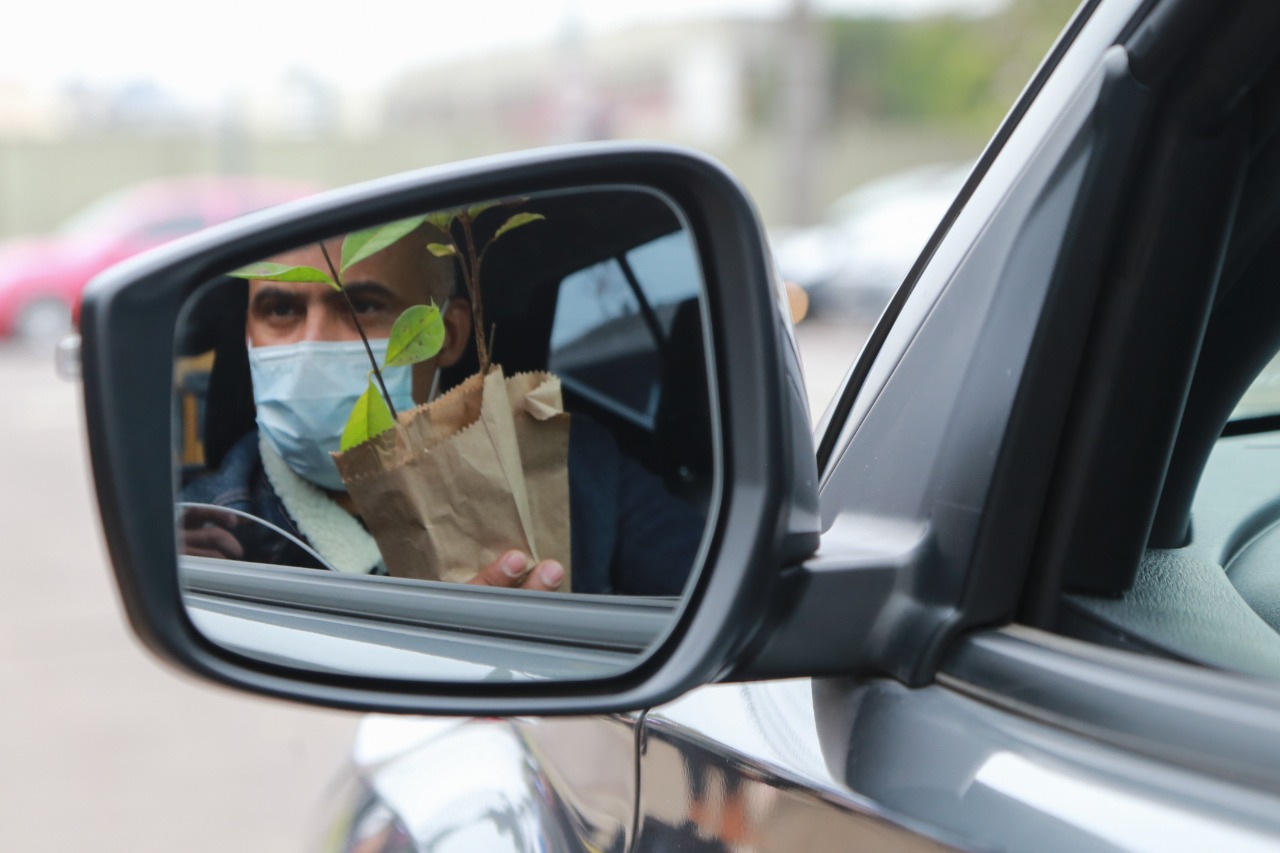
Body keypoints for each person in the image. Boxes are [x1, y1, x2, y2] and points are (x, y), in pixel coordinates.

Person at [181, 225, 704, 595]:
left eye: (362, 307)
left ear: (447, 335)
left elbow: (717, 593)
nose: (312, 345)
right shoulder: (203, 534)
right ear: (248, 335)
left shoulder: (575, 470)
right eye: (280, 309)